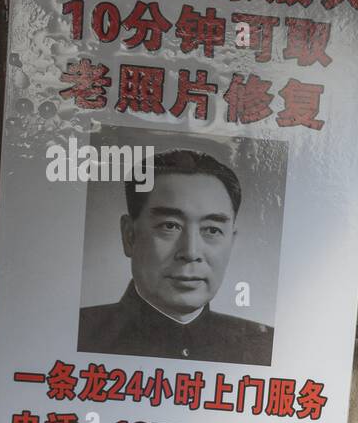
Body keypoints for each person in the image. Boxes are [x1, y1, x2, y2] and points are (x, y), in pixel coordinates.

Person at [78, 149, 275, 365]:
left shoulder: (263, 346)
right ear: (129, 236)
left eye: (211, 230)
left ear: (231, 241)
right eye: (170, 226)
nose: (190, 253)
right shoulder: (79, 333)